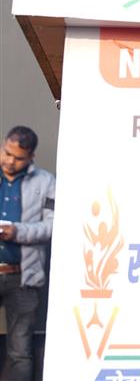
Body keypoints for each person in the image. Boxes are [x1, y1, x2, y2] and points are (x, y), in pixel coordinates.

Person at [0, 126, 55, 381]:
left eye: (18, 157)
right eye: (6, 153)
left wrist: (17, 232)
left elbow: (54, 225)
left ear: (31, 156)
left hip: (23, 276)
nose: (10, 161)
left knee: (20, 351)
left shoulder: (45, 182)